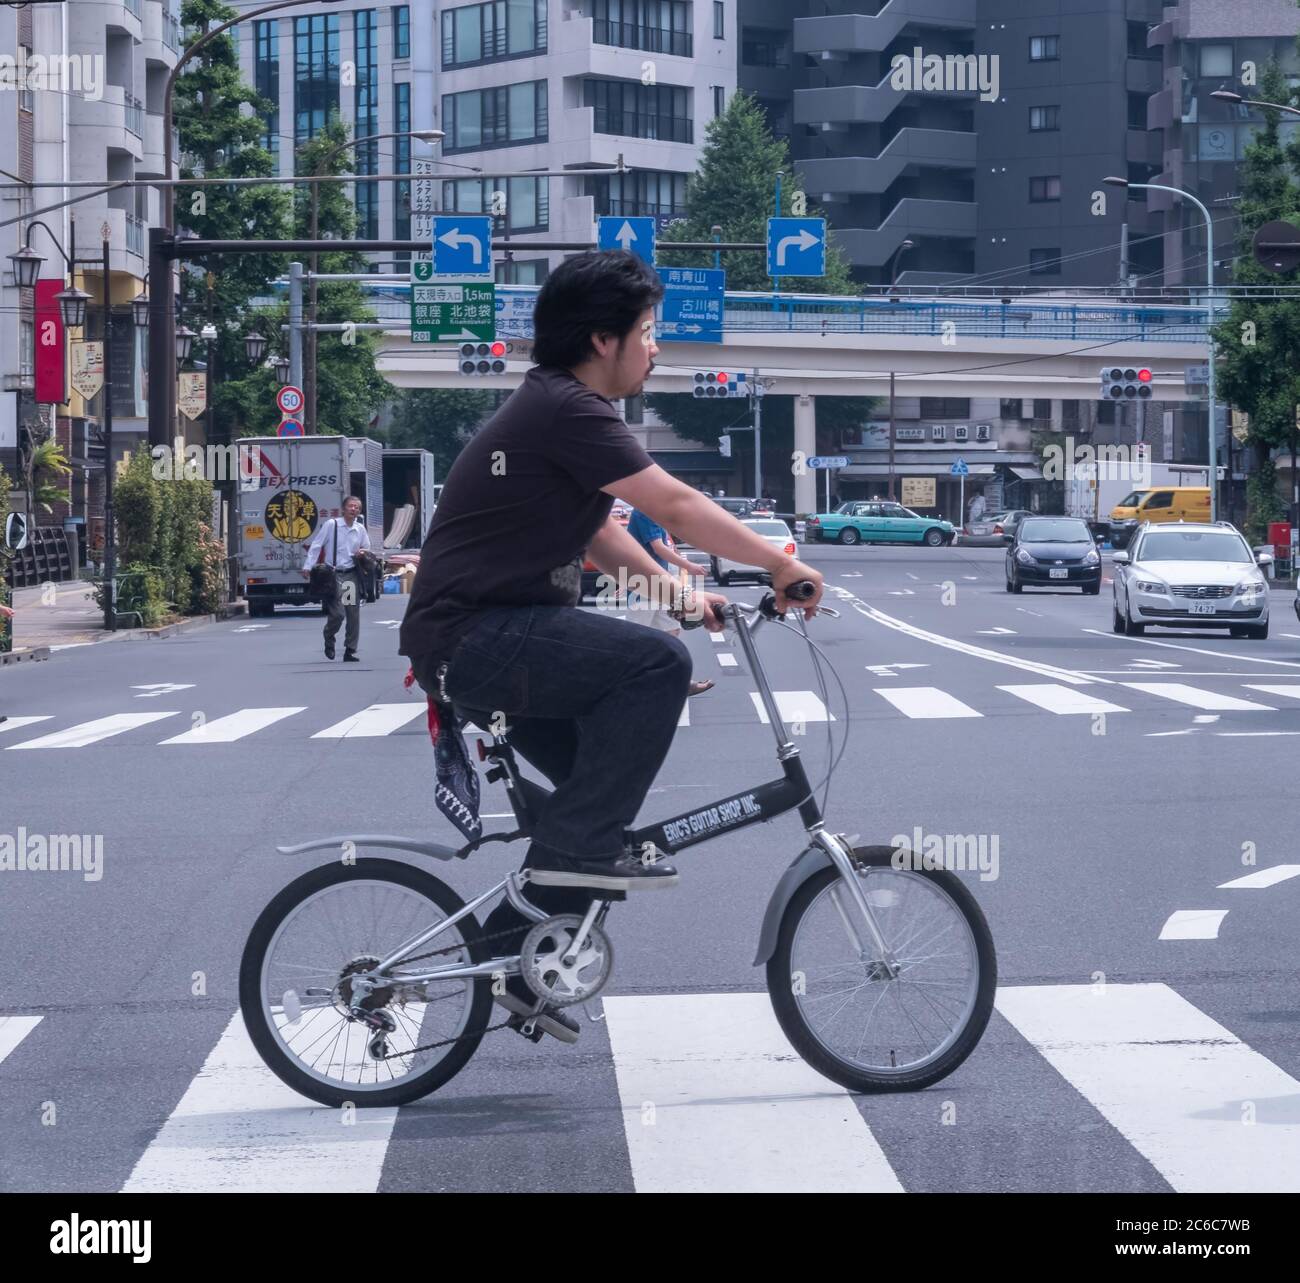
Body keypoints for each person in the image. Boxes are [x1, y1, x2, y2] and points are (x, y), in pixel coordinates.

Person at [399, 249, 824, 1043]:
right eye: (648, 331)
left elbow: (597, 537)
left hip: (480, 641)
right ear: (603, 340)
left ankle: (505, 947)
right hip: (480, 637)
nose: (657, 347)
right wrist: (783, 562)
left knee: (593, 804)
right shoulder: (569, 408)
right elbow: (675, 502)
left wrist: (681, 597)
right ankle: (568, 872)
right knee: (653, 673)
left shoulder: (560, 410)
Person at [625, 505, 713, 696]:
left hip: (660, 584)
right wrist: (688, 565)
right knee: (635, 638)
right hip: (644, 584)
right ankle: (626, 684)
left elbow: (665, 547)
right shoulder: (644, 511)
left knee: (671, 630)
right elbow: (658, 547)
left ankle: (675, 680)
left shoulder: (655, 512)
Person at [302, 496, 371, 662]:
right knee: (338, 614)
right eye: (350, 506)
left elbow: (367, 548)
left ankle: (350, 649)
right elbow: (316, 545)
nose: (353, 509)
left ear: (359, 511)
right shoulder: (331, 525)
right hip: (333, 575)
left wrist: (362, 553)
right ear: (343, 509)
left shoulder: (359, 529)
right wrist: (307, 566)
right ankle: (329, 635)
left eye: (357, 507)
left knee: (352, 612)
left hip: (350, 575)